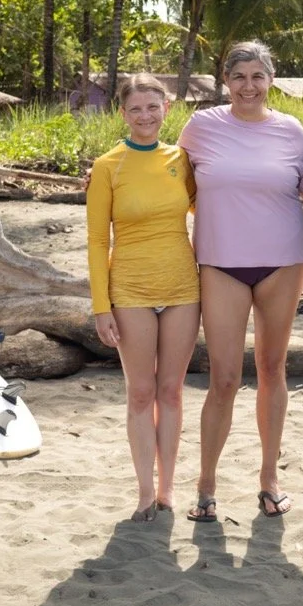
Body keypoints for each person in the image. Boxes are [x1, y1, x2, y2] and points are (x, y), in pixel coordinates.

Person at [178, 41, 303, 522]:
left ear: (270, 80)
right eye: (239, 77)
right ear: (225, 81)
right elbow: (166, 178)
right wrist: (107, 177)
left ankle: (269, 478)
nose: (248, 86)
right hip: (220, 265)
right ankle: (206, 485)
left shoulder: (291, 131)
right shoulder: (201, 127)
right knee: (225, 378)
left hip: (283, 264)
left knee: (273, 369)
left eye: (258, 76)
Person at [86, 73, 201, 523]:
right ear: (123, 113)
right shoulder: (107, 167)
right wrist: (101, 307)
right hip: (130, 291)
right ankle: (144, 491)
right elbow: (98, 241)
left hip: (182, 288)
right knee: (140, 392)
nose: (145, 116)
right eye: (135, 108)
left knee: (171, 391)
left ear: (166, 109)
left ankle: (168, 488)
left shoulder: (182, 160)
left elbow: (209, 206)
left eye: (153, 107)